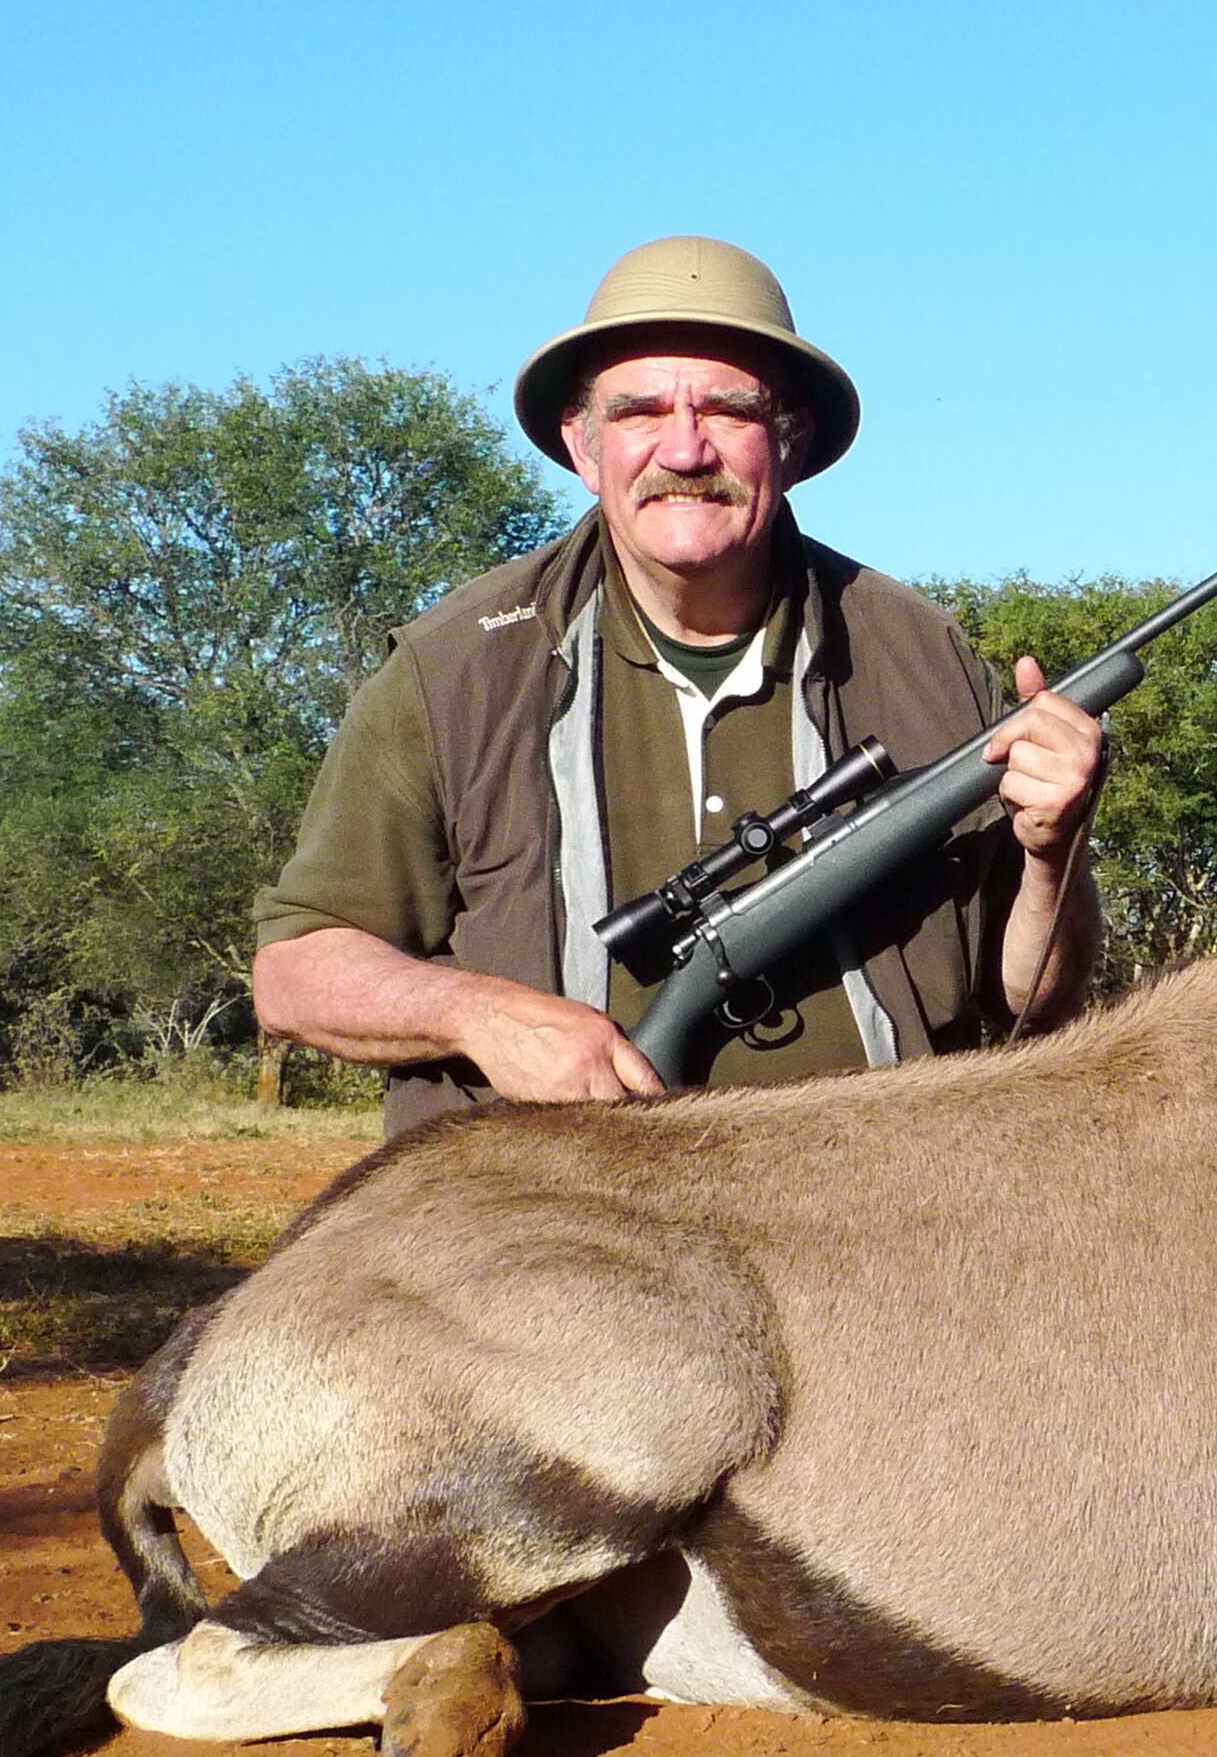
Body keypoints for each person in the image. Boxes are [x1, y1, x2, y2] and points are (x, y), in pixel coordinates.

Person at [251, 235, 1104, 1131]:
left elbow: (1032, 1000)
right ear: (583, 445)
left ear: (790, 439)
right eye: (641, 412)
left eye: (728, 411)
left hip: (875, 1225)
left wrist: (1053, 857)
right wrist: (481, 1015)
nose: (685, 449)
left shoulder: (921, 654)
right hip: (545, 1226)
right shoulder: (456, 665)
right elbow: (296, 969)